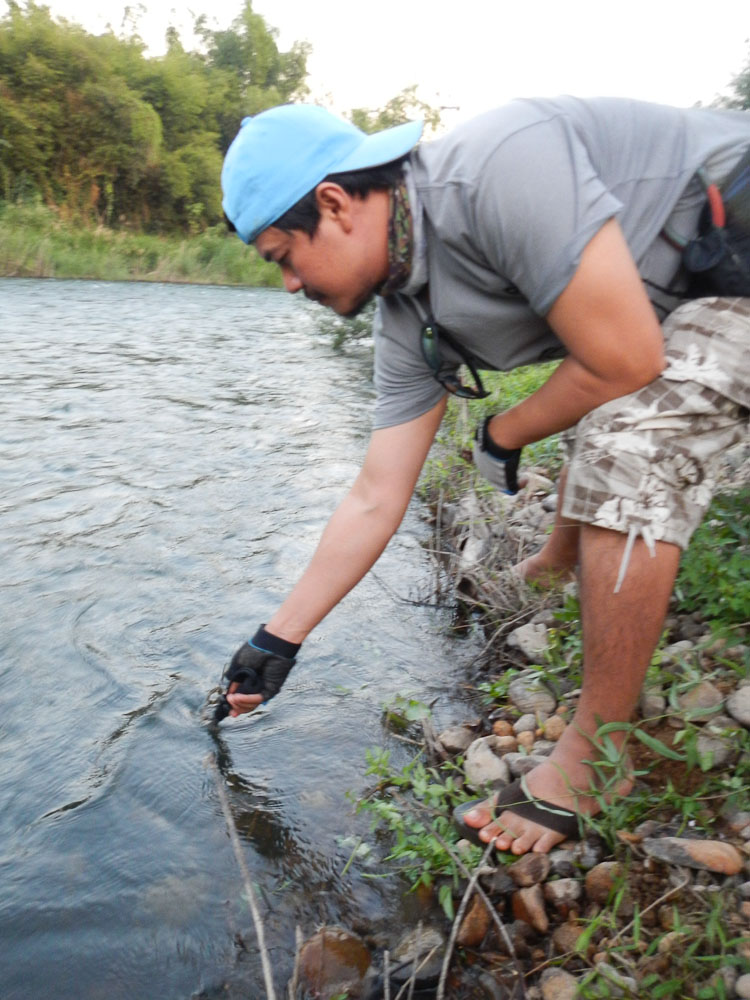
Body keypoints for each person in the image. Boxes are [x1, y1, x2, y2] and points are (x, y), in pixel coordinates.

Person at [218, 98, 750, 856]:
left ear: (333, 205)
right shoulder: (409, 318)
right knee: (597, 393)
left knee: (624, 433)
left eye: (282, 257)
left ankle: (595, 759)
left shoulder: (496, 168)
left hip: (734, 242)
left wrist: (503, 432)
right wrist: (278, 641)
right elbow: (376, 495)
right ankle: (565, 555)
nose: (290, 285)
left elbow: (628, 359)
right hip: (683, 298)